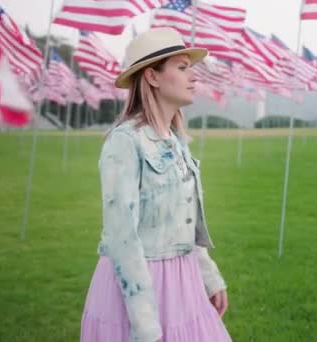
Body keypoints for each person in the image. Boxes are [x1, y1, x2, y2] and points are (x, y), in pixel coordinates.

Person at [80, 27, 231, 342]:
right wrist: (145, 323)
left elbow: (187, 222)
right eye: (182, 67)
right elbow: (121, 237)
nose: (194, 76)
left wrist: (209, 277)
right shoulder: (125, 141)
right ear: (152, 76)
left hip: (184, 283)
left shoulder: (177, 142)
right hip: (140, 289)